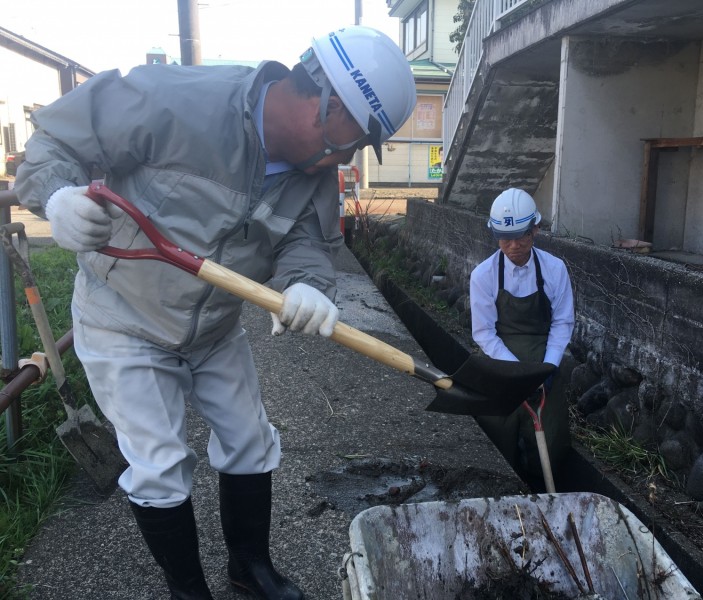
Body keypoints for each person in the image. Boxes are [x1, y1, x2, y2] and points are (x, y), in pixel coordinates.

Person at [14, 25, 416, 600]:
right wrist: (56, 198)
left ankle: (248, 567)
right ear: (321, 96)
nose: (346, 157)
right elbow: (55, 140)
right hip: (124, 314)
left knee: (252, 441)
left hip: (215, 326)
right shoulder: (176, 100)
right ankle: (188, 589)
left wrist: (307, 285)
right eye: (351, 138)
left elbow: (308, 242)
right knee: (158, 464)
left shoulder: (315, 173)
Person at [469, 188, 575, 491]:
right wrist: (517, 373)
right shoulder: (483, 275)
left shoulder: (554, 270)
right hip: (502, 364)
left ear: (536, 230)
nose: (513, 246)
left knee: (549, 439)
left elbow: (562, 322)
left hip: (544, 361)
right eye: (505, 239)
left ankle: (542, 490)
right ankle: (506, 490)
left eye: (521, 237)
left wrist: (548, 367)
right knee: (498, 432)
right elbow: (484, 333)